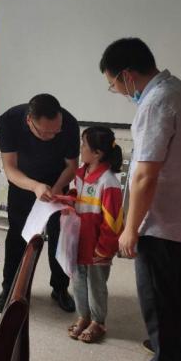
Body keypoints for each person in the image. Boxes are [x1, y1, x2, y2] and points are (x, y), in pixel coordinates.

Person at [100, 38, 181, 361]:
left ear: (128, 75)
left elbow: (145, 175)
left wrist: (130, 228)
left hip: (159, 222)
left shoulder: (156, 102)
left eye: (113, 83)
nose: (116, 90)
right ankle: (174, 352)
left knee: (157, 297)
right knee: (175, 291)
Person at [0, 94, 80, 313]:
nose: (51, 136)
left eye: (56, 131)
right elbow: (10, 168)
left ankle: (60, 288)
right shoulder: (9, 121)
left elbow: (72, 166)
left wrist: (57, 188)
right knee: (18, 236)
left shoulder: (69, 123)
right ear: (29, 121)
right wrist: (35, 186)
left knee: (59, 238)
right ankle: (10, 288)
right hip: (24, 184)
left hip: (57, 184)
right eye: (45, 132)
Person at [66, 126, 124, 343]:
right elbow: (78, 194)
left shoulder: (109, 182)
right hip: (78, 242)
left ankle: (98, 322)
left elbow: (114, 221)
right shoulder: (81, 173)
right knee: (78, 281)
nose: (80, 148)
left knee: (96, 285)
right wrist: (68, 199)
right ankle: (84, 316)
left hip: (98, 247)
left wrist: (104, 249)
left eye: (84, 145)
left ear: (97, 153)